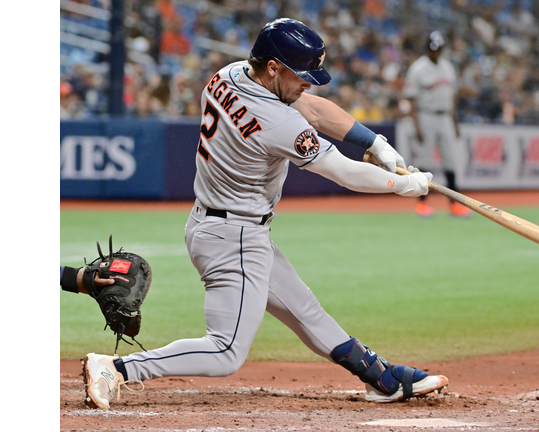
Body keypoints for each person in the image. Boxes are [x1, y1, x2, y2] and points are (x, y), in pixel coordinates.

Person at [81, 18, 448, 410]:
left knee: (305, 310)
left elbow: (315, 109)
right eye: (301, 74)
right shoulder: (277, 122)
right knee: (226, 351)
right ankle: (118, 368)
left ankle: (380, 378)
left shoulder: (231, 73)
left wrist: (373, 141)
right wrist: (407, 185)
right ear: (273, 67)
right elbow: (342, 171)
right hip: (234, 236)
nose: (308, 83)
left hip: (223, 225)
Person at [403, 31, 470, 218]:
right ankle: (422, 204)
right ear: (427, 49)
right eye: (433, 49)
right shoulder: (418, 68)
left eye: (439, 49)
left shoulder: (447, 67)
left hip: (445, 117)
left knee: (451, 160)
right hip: (426, 115)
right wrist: (416, 125)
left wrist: (455, 123)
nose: (436, 52)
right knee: (425, 161)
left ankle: (454, 204)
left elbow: (451, 98)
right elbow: (412, 100)